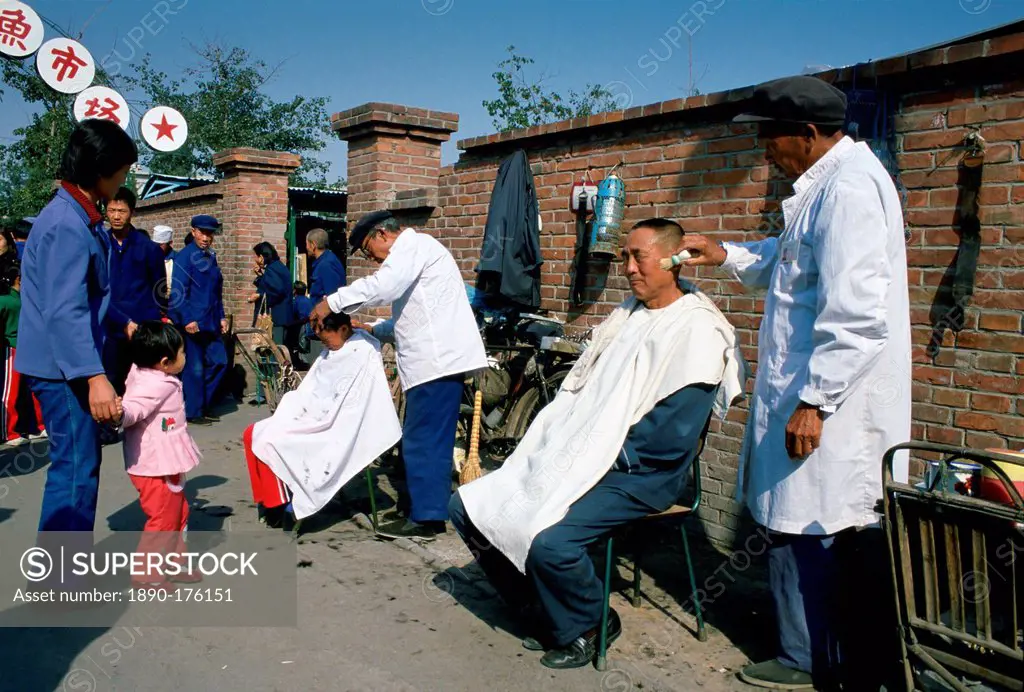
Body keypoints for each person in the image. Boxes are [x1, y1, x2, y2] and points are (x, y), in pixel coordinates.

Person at [680, 76, 911, 691]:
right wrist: (724, 252)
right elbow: (787, 261)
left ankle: (822, 661)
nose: (764, 150)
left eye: (769, 136)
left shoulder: (851, 190)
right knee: (788, 522)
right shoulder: (822, 186)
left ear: (807, 134)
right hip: (805, 396)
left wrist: (816, 400)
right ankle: (800, 651)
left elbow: (858, 317)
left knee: (821, 529)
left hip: (833, 404)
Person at [450, 219, 746, 669]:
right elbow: (584, 394)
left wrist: (588, 461)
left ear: (673, 261)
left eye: (637, 257)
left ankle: (589, 624)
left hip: (641, 474)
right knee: (469, 507)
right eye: (624, 256)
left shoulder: (697, 331)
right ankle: (543, 610)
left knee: (551, 542)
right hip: (582, 456)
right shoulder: (627, 315)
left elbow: (667, 440)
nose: (627, 267)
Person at [310, 210, 487, 539]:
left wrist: (332, 303)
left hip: (437, 363)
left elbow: (383, 287)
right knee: (424, 438)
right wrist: (373, 327)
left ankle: (427, 519)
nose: (371, 259)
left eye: (367, 250)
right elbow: (411, 319)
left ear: (381, 235)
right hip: (433, 362)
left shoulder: (413, 246)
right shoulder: (414, 256)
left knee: (424, 441)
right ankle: (420, 508)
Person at [17, 118, 137, 532]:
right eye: (122, 170)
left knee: (78, 465)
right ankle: (60, 586)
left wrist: (124, 323)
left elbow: (86, 297)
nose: (124, 179)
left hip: (65, 362)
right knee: (74, 470)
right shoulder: (67, 224)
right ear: (102, 169)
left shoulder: (78, 215)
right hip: (62, 368)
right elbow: (65, 311)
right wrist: (94, 377)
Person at [242, 311, 401, 528]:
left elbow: (354, 402)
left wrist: (317, 416)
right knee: (251, 433)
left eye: (327, 338)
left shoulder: (362, 351)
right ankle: (271, 500)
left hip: (338, 425)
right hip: (313, 415)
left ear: (343, 329)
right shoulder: (332, 351)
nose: (325, 345)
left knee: (269, 440)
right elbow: (314, 388)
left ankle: (280, 506)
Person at [117, 321, 202, 593]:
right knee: (164, 519)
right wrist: (120, 414)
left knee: (179, 512)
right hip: (154, 464)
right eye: (182, 353)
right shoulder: (152, 384)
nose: (185, 357)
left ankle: (175, 562)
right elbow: (134, 408)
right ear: (165, 362)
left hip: (167, 460)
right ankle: (147, 574)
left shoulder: (152, 375)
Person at [103, 186, 167, 396]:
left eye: (121, 211)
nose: (116, 216)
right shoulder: (100, 244)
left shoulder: (148, 248)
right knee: (111, 381)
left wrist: (155, 322)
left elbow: (159, 288)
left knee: (142, 383)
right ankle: (109, 428)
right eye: (112, 211)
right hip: (109, 326)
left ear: (132, 212)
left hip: (141, 328)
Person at [169, 215, 227, 425]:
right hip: (192, 322)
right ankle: (193, 411)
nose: (206, 237)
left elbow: (216, 291)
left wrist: (221, 316)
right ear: (193, 231)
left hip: (210, 320)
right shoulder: (185, 257)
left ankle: (199, 402)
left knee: (220, 362)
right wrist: (187, 318)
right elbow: (178, 291)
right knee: (194, 368)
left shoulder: (210, 257)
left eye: (210, 233)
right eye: (202, 232)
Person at [0, 257, 45, 445]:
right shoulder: (6, 300)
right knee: (10, 392)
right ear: (18, 277)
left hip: (27, 346)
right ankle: (8, 432)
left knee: (32, 390)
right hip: (12, 348)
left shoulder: (21, 297)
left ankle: (37, 426)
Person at [247, 241, 294, 405]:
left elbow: (276, 290)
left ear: (262, 256)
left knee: (272, 353)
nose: (255, 259)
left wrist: (258, 295)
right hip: (279, 318)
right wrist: (260, 276)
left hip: (275, 319)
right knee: (270, 353)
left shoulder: (274, 268)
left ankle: (275, 391)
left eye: (256, 256)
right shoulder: (276, 267)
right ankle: (268, 391)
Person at [303, 228, 346, 364]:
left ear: (313, 245)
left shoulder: (326, 265)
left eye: (307, 244)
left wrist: (323, 325)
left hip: (327, 325)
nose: (306, 248)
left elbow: (331, 297)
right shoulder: (325, 261)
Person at [152, 225, 175, 311]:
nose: (157, 247)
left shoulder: (176, 260)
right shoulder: (149, 257)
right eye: (155, 244)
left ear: (170, 243)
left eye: (161, 245)